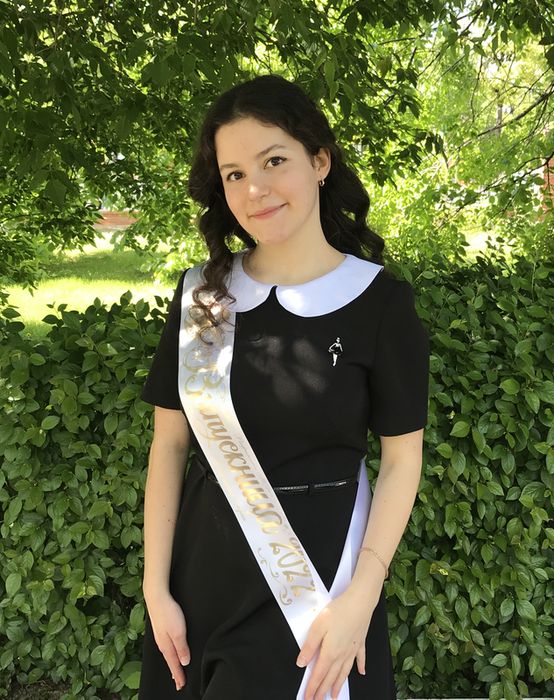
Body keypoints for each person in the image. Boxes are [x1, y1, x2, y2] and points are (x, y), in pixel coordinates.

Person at [137, 74, 430, 700]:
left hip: (321, 591)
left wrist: (361, 598)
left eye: (274, 161)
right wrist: (156, 589)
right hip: (201, 583)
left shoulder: (380, 303)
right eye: (234, 173)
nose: (255, 189)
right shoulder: (204, 300)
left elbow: (403, 459)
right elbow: (170, 445)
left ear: (320, 162)